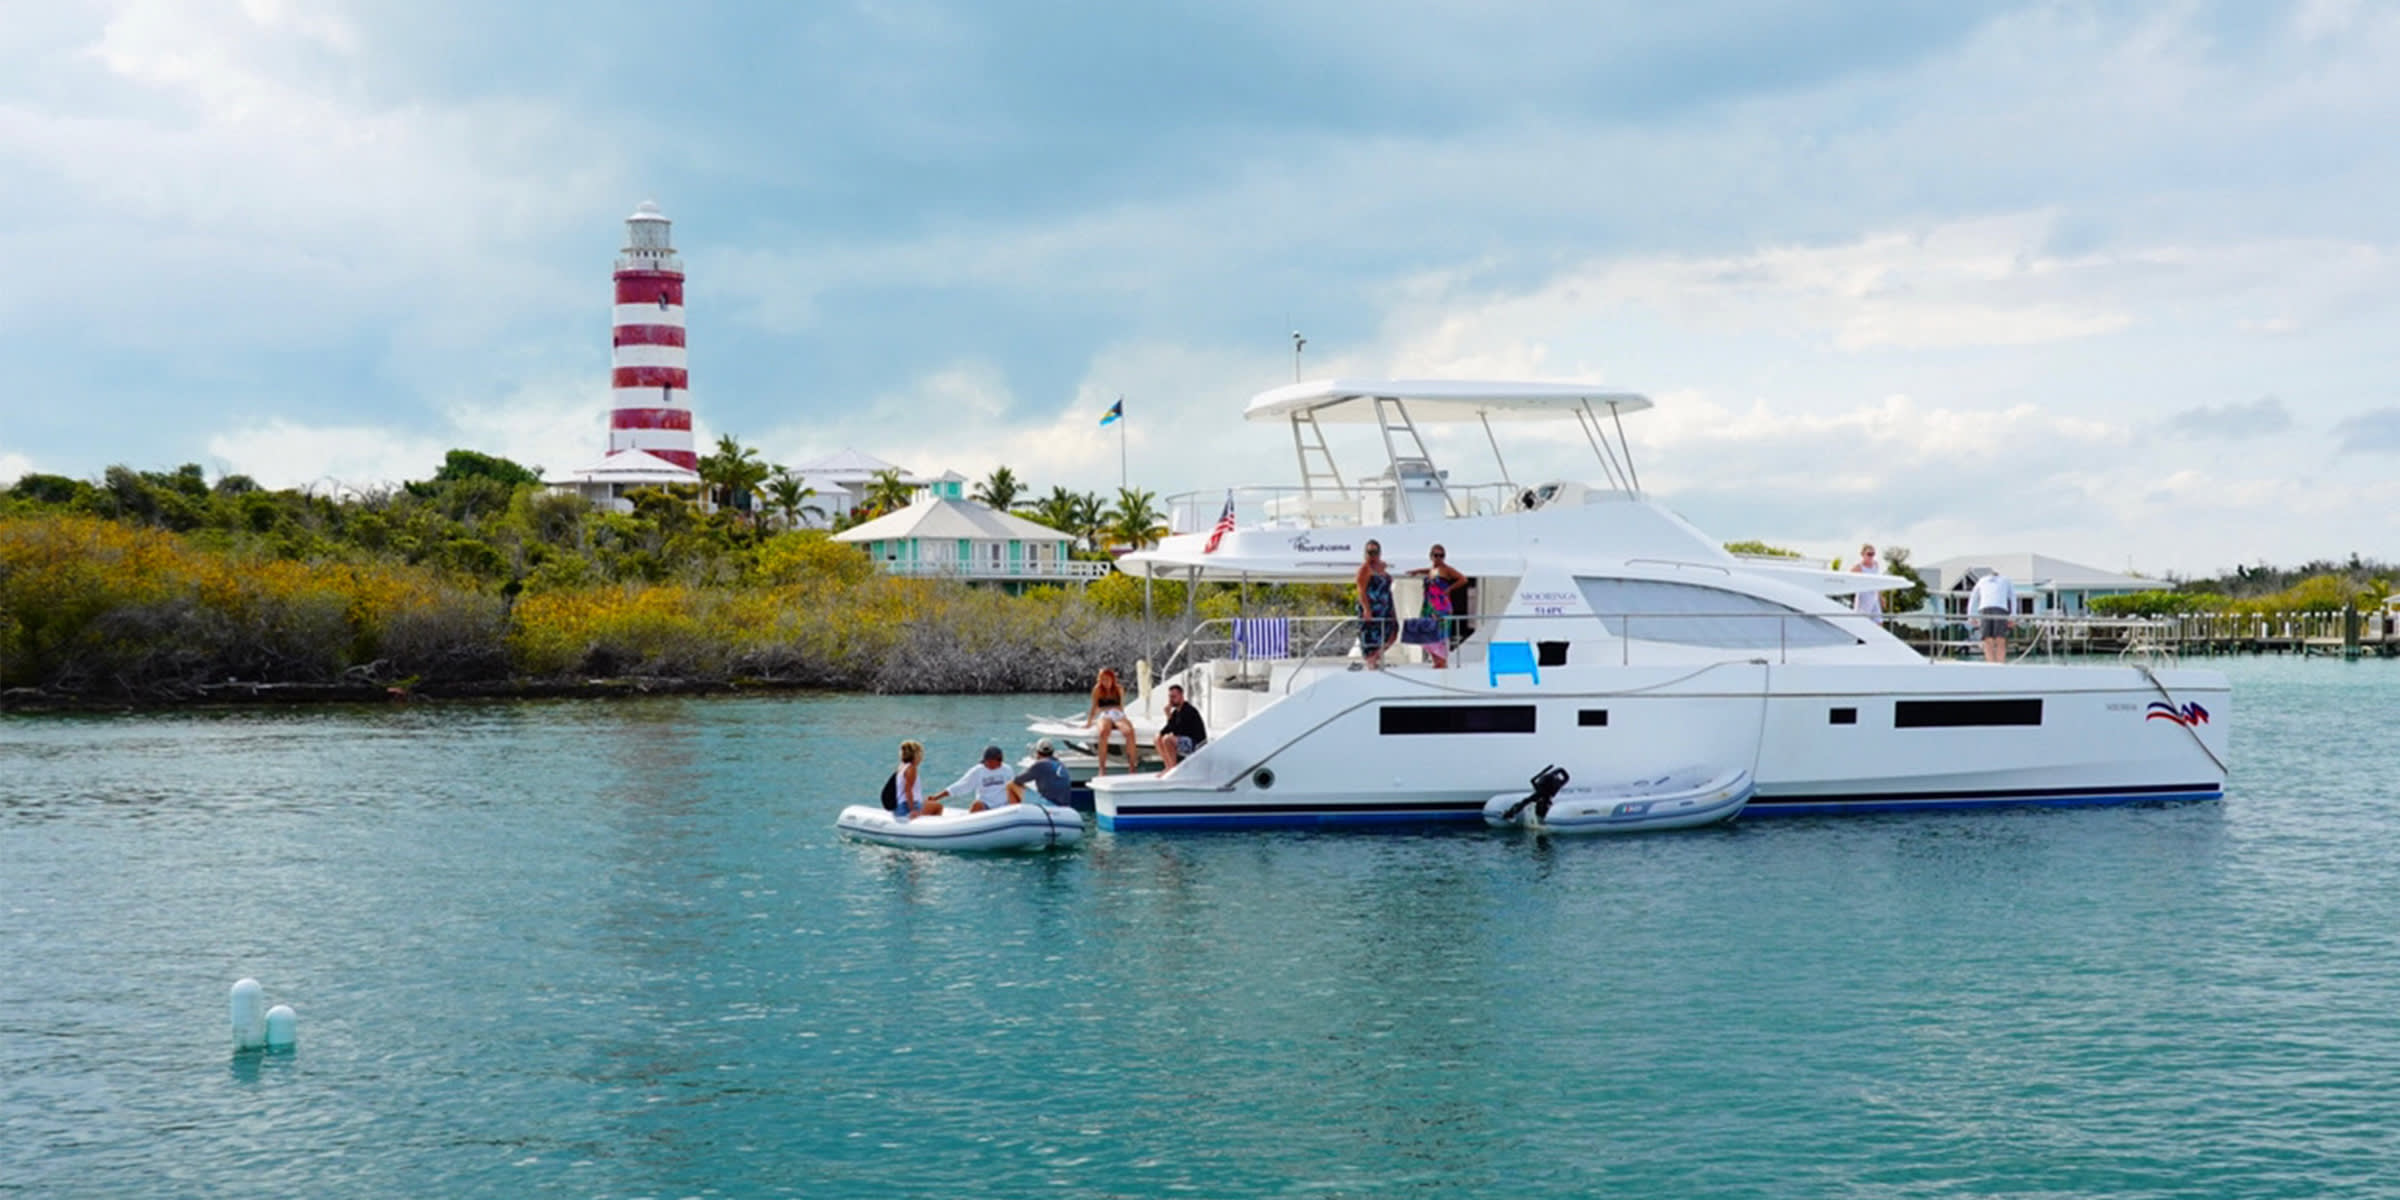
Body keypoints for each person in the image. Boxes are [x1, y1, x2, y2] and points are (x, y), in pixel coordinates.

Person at [1405, 544, 1466, 667]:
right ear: (1431, 556)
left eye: (1441, 555)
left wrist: (1449, 589)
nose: (1439, 558)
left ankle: (1441, 664)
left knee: (1438, 637)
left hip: (1440, 608)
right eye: (1436, 555)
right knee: (1425, 635)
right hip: (1428, 607)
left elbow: (1462, 579)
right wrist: (1417, 571)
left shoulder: (1446, 569)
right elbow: (1430, 571)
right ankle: (1437, 663)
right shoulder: (1433, 570)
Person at [926, 745, 1016, 812]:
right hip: (985, 805)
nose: (986, 764)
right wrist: (937, 797)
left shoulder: (1007, 770)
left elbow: (1014, 789)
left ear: (998, 761)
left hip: (1003, 807)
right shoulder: (978, 770)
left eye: (989, 761)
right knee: (977, 804)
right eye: (985, 761)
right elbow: (961, 785)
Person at [1084, 667, 1138, 775]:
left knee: (1129, 732)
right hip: (1104, 714)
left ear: (1112, 679)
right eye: (1102, 680)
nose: (1105, 682)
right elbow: (1095, 707)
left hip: (1117, 714)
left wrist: (1123, 718)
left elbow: (1121, 706)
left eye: (1107, 679)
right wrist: (1089, 722)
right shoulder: (1097, 689)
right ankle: (1102, 768)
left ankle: (1132, 766)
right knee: (1104, 733)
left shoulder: (1119, 689)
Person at [1355, 539, 1397, 669]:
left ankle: (1375, 658)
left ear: (1380, 553)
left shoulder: (1381, 567)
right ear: (1365, 553)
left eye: (1375, 552)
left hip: (1385, 609)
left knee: (1393, 632)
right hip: (1372, 609)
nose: (1372, 555)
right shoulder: (1365, 569)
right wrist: (1367, 610)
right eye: (1370, 552)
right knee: (1371, 638)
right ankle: (1371, 661)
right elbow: (1361, 590)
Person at [1969, 568, 2017, 663]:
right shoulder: (2006, 580)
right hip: (2000, 609)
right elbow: (2013, 597)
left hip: (1985, 608)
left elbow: (1973, 597)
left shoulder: (1982, 580)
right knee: (2000, 639)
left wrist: (1970, 615)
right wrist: (2013, 615)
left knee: (1988, 639)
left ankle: (1991, 664)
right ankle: (1999, 663)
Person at [1154, 684, 1208, 769]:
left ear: (1181, 696)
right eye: (1170, 697)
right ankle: (1168, 767)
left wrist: (1168, 716)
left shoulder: (1188, 710)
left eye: (1174, 697)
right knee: (1158, 738)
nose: (1171, 700)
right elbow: (1168, 729)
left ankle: (1173, 769)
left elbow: (1177, 731)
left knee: (1167, 739)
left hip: (1197, 744)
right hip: (1185, 741)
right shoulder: (1176, 712)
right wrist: (1159, 735)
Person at [1010, 738, 1073, 807]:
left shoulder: (1040, 764)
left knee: (1011, 785)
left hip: (1050, 804)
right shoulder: (1061, 764)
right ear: (1052, 752)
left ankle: (1016, 812)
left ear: (1037, 752)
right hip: (1065, 805)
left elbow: (1017, 780)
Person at [893, 739, 932, 818]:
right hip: (906, 807)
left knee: (929, 803)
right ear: (916, 755)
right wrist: (912, 810)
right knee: (938, 807)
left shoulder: (901, 766)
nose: (922, 758)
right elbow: (908, 790)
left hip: (898, 806)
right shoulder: (911, 768)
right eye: (921, 754)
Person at [1850, 544, 1885, 624]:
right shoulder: (1858, 567)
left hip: (1874, 597)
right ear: (1862, 554)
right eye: (1869, 554)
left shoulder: (1876, 564)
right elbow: (1848, 579)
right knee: (1862, 622)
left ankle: (1877, 637)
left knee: (1879, 622)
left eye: (1873, 554)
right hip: (1863, 598)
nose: (1871, 556)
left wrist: (1881, 597)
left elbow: (1877, 583)